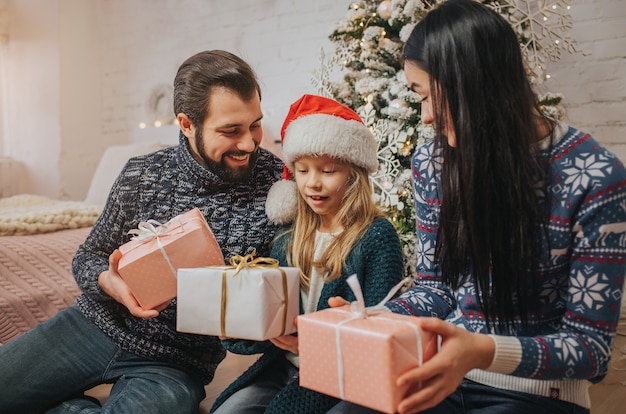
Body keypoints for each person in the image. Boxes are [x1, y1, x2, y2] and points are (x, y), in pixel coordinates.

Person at [327, 1, 626, 414]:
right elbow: (435, 287)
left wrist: (480, 350)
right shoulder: (433, 162)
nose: (425, 117)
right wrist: (369, 319)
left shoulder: (594, 176)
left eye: (429, 97)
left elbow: (590, 351)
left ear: (475, 86)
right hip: (445, 374)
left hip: (539, 393)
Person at [0, 50, 284, 414]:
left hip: (172, 363)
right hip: (91, 326)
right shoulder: (143, 174)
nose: (248, 143)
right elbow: (88, 255)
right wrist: (109, 283)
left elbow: (273, 301)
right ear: (186, 123)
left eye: (255, 125)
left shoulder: (276, 186)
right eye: (231, 131)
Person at [209, 94, 406, 414]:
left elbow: (383, 331)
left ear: (353, 174)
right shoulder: (290, 235)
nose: (312, 183)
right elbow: (270, 322)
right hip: (282, 366)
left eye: (328, 171)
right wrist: (239, 325)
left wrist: (315, 344)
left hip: (340, 372)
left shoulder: (376, 237)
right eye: (302, 171)